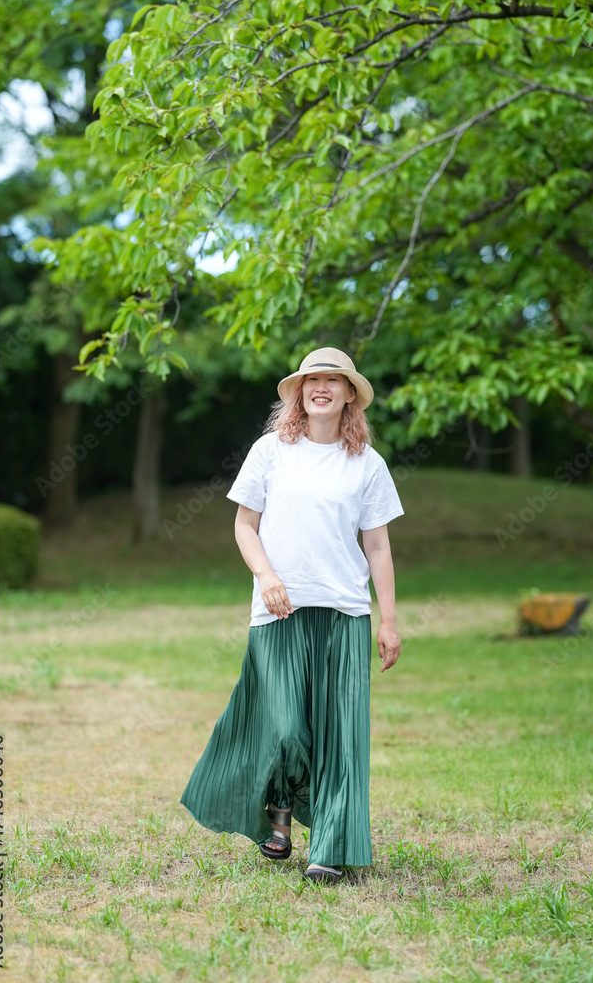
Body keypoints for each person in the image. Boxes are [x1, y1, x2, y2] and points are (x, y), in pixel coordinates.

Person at [179, 347, 404, 884]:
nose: (321, 387)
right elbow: (244, 526)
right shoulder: (270, 451)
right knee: (285, 730)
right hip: (278, 612)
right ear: (299, 392)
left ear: (350, 394)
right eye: (312, 379)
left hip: (344, 613)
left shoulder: (368, 464)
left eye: (333, 380)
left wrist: (389, 621)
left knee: (340, 739)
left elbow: (378, 547)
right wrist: (266, 576)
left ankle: (329, 848)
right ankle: (278, 807)